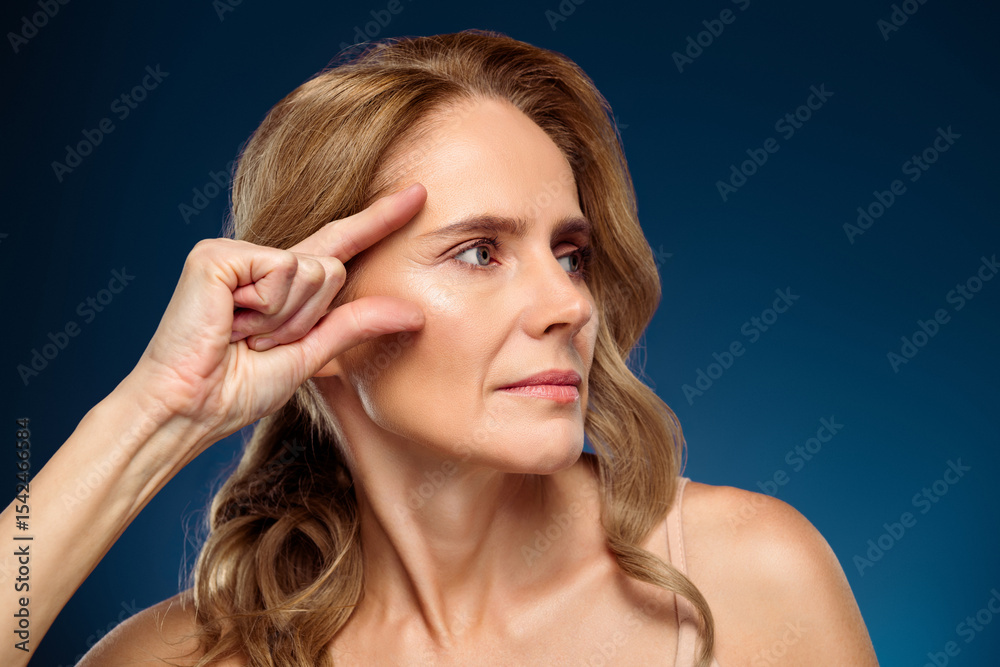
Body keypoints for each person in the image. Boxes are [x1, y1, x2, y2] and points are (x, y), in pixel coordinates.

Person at [2, 30, 879, 666]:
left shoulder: (748, 576)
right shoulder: (185, 656)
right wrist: (156, 413)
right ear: (317, 309)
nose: (568, 304)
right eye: (479, 252)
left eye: (569, 254)